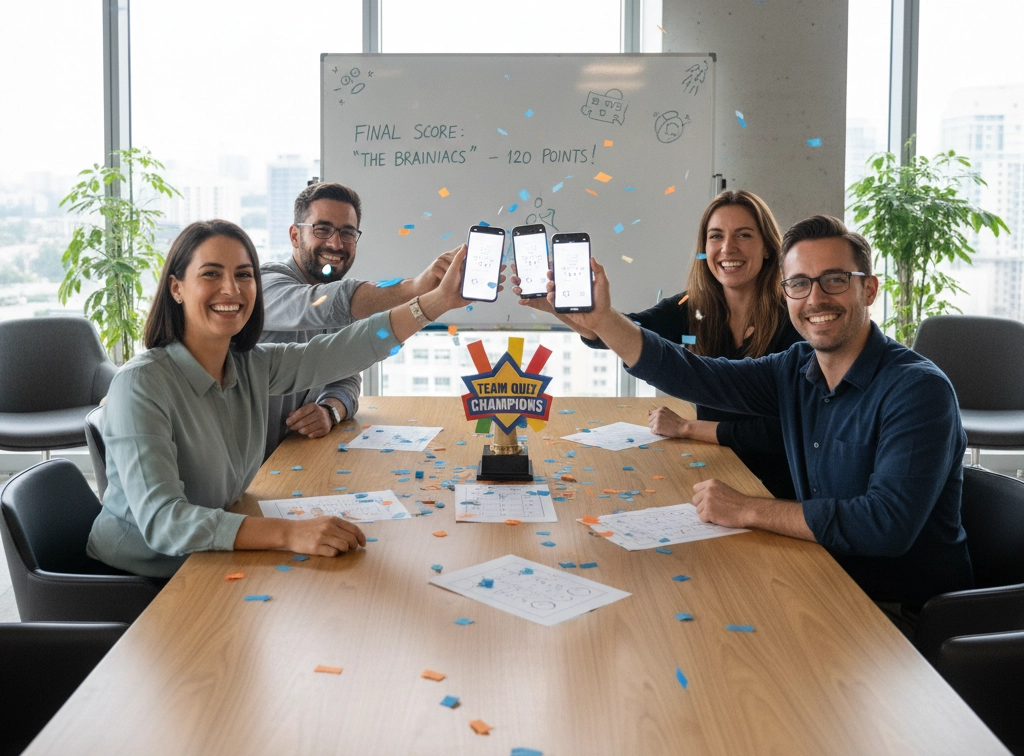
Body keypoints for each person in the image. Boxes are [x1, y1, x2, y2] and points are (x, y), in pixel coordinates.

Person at [550, 214, 972, 622]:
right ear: (785, 292)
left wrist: (750, 509)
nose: (816, 298)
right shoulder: (797, 366)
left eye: (835, 280)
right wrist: (603, 321)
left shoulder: (917, 390)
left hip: (900, 615)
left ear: (869, 289)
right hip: (823, 577)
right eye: (799, 284)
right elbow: (696, 375)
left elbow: (884, 526)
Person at [87, 219, 476, 579]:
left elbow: (345, 349)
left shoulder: (250, 365)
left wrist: (437, 302)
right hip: (141, 580)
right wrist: (289, 533)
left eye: (244, 275)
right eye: (211, 274)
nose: (232, 289)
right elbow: (164, 523)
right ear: (176, 288)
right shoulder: (141, 384)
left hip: (211, 557)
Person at [515, 190, 802, 498]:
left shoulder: (796, 318)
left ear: (769, 248)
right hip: (715, 473)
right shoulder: (692, 306)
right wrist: (559, 310)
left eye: (743, 235)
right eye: (715, 236)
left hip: (774, 491)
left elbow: (783, 431)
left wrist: (689, 428)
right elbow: (629, 333)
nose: (727, 248)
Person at [260, 181, 458, 459]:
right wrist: (417, 288)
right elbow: (320, 305)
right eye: (322, 229)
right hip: (247, 475)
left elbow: (347, 379)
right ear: (295, 236)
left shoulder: (342, 303)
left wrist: (330, 410)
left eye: (347, 233)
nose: (336, 243)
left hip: (297, 462)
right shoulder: (265, 285)